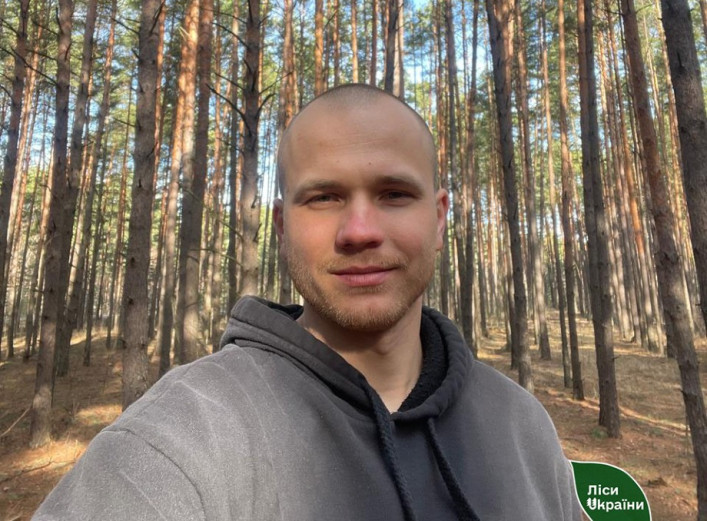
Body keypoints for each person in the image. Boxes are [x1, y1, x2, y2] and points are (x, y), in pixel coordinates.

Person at [34, 84, 581, 521]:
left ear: (438, 220)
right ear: (281, 227)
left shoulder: (522, 425)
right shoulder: (180, 438)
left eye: (394, 194)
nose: (359, 231)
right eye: (324, 197)